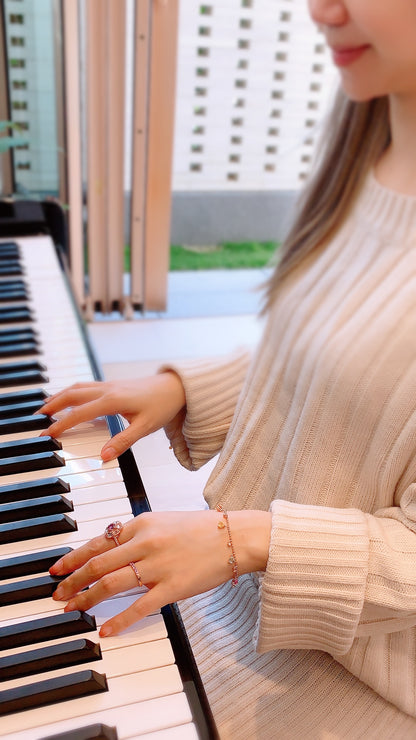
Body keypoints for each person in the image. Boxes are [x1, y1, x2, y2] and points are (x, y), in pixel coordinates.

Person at [39, 1, 416, 737]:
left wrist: (240, 539)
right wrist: (183, 389)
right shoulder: (364, 144)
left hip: (359, 681)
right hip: (235, 604)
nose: (323, 9)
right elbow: (352, 358)